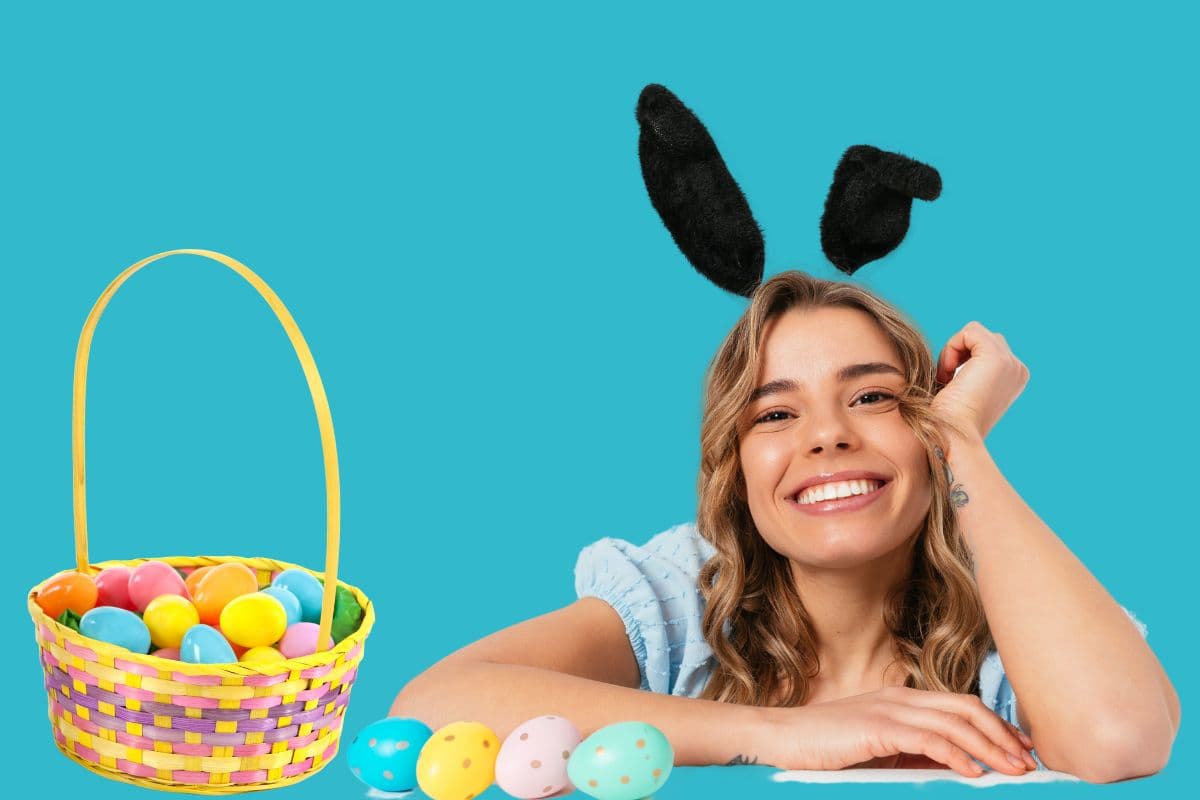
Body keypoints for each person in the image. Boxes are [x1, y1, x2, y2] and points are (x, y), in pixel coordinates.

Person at [391, 271, 1179, 783]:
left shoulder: (1018, 621)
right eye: (775, 413)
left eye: (872, 398)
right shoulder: (683, 602)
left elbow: (1120, 738)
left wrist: (965, 443)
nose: (826, 435)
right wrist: (780, 733)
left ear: (926, 429)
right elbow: (433, 704)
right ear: (735, 470)